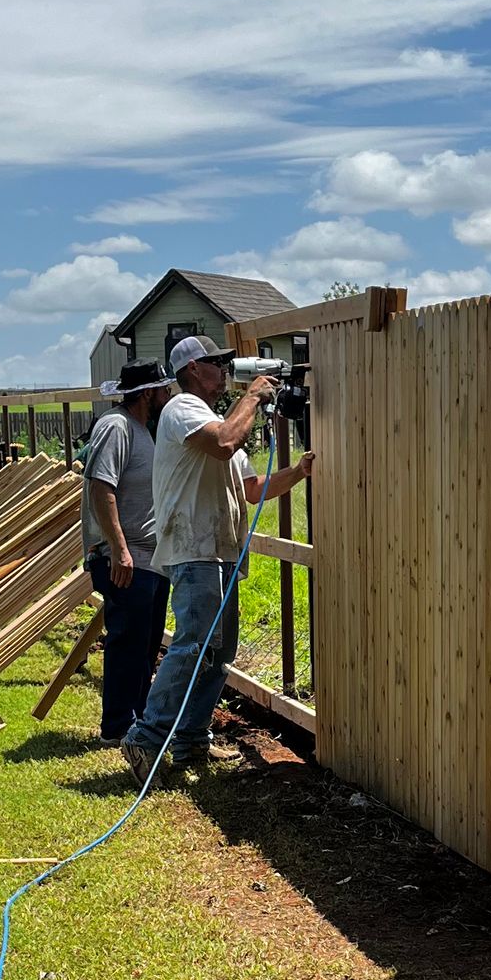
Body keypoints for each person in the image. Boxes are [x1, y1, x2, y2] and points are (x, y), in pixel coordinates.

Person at [121, 335, 312, 783]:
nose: (225, 370)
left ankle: (190, 740)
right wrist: (252, 396)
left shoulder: (215, 418)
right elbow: (225, 442)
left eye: (228, 363)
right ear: (191, 370)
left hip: (219, 549)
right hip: (194, 548)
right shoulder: (181, 409)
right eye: (216, 363)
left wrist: (299, 473)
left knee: (219, 651)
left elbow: (251, 489)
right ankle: (145, 737)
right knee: (194, 644)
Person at [81, 354, 173, 741]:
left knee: (145, 643)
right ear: (148, 393)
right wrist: (119, 549)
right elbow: (102, 487)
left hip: (149, 559)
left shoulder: (140, 428)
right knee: (127, 642)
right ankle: (117, 726)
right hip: (124, 558)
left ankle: (135, 720)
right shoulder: (116, 426)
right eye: (164, 388)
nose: (169, 393)